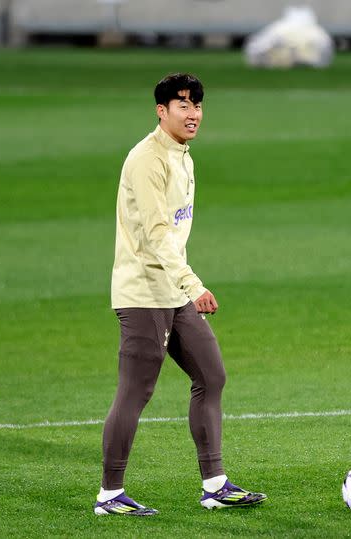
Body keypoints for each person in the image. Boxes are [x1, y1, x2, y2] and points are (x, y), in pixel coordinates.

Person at [95, 73, 266, 516]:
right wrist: (193, 284)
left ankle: (215, 485)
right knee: (135, 391)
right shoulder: (147, 159)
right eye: (183, 105)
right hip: (143, 292)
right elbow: (156, 233)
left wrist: (183, 286)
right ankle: (110, 496)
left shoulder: (183, 156)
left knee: (211, 376)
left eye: (198, 105)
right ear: (161, 111)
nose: (193, 114)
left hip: (172, 290)